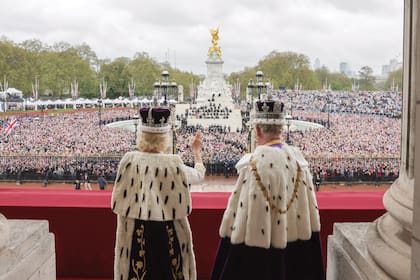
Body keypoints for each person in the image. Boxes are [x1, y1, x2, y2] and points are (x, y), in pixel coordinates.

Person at [211, 95, 324, 280]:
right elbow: (310, 217)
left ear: (257, 130)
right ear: (281, 128)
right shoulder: (299, 162)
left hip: (260, 256)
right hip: (296, 252)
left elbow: (245, 220)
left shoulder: (253, 165)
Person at [111, 106, 205, 280]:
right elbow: (198, 176)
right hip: (168, 230)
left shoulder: (128, 161)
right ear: (165, 138)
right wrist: (197, 153)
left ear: (141, 135)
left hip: (135, 231)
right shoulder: (173, 163)